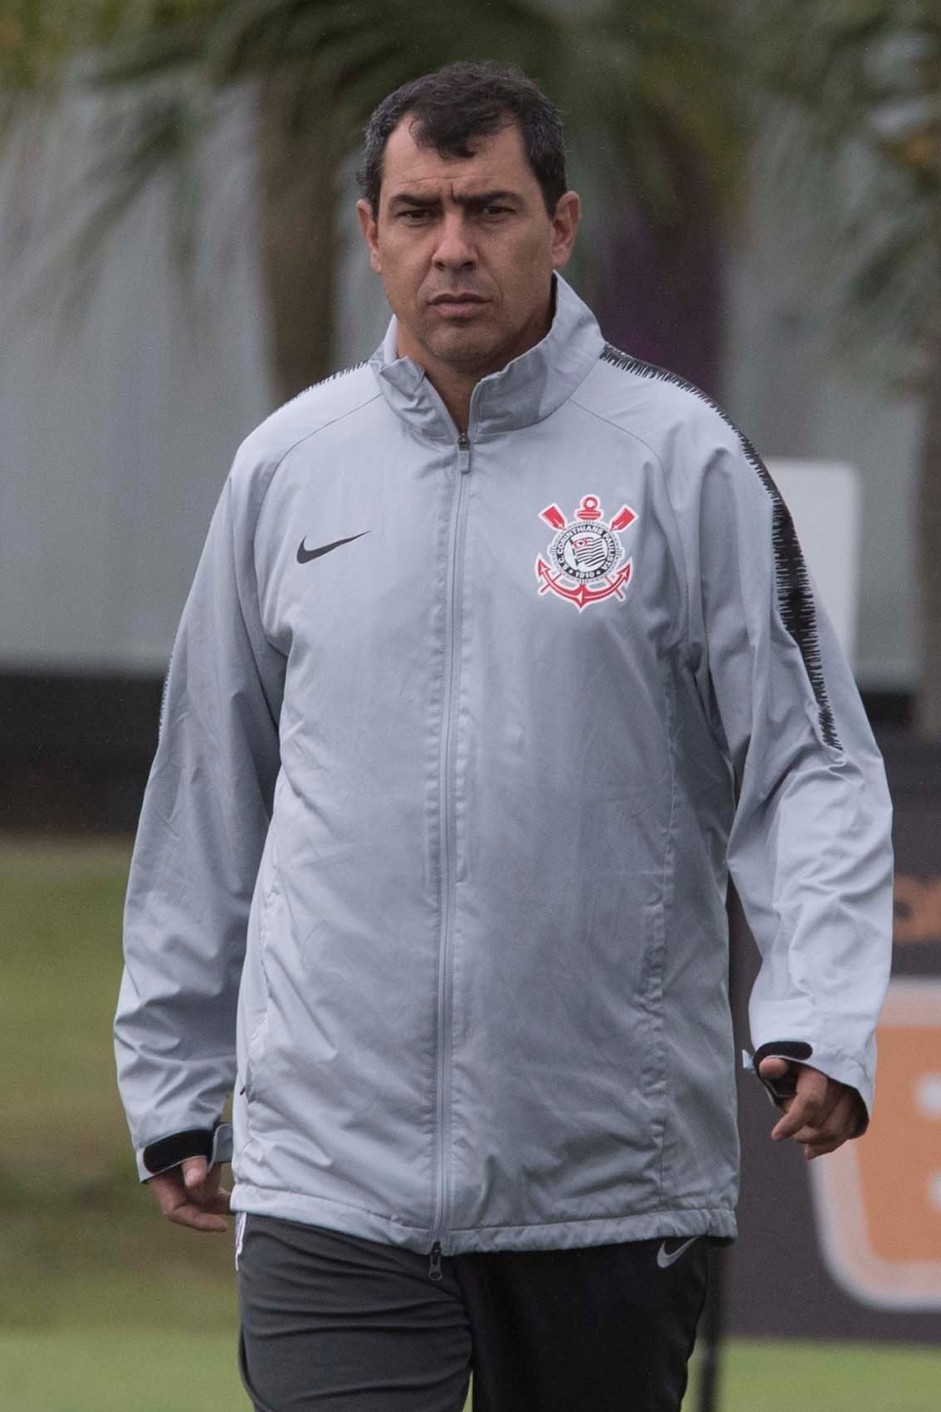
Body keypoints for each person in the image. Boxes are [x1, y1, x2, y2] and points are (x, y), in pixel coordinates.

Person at [115, 60, 893, 1412]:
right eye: (416, 213)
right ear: (370, 235)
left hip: (601, 1179)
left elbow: (805, 763)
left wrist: (820, 1013)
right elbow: (205, 792)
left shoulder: (682, 462)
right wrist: (177, 1070)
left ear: (563, 225)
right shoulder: (285, 470)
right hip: (329, 1181)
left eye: (490, 209)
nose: (453, 249)